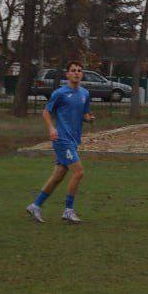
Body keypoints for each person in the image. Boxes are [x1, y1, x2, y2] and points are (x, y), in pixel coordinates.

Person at [26, 61, 94, 224]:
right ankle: (68, 211)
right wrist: (51, 129)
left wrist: (89, 119)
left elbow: (85, 114)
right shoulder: (60, 93)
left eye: (79, 70)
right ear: (67, 74)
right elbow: (46, 112)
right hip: (62, 139)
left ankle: (35, 205)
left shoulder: (85, 93)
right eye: (73, 70)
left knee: (58, 176)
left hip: (73, 139)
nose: (76, 73)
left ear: (82, 74)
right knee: (79, 172)